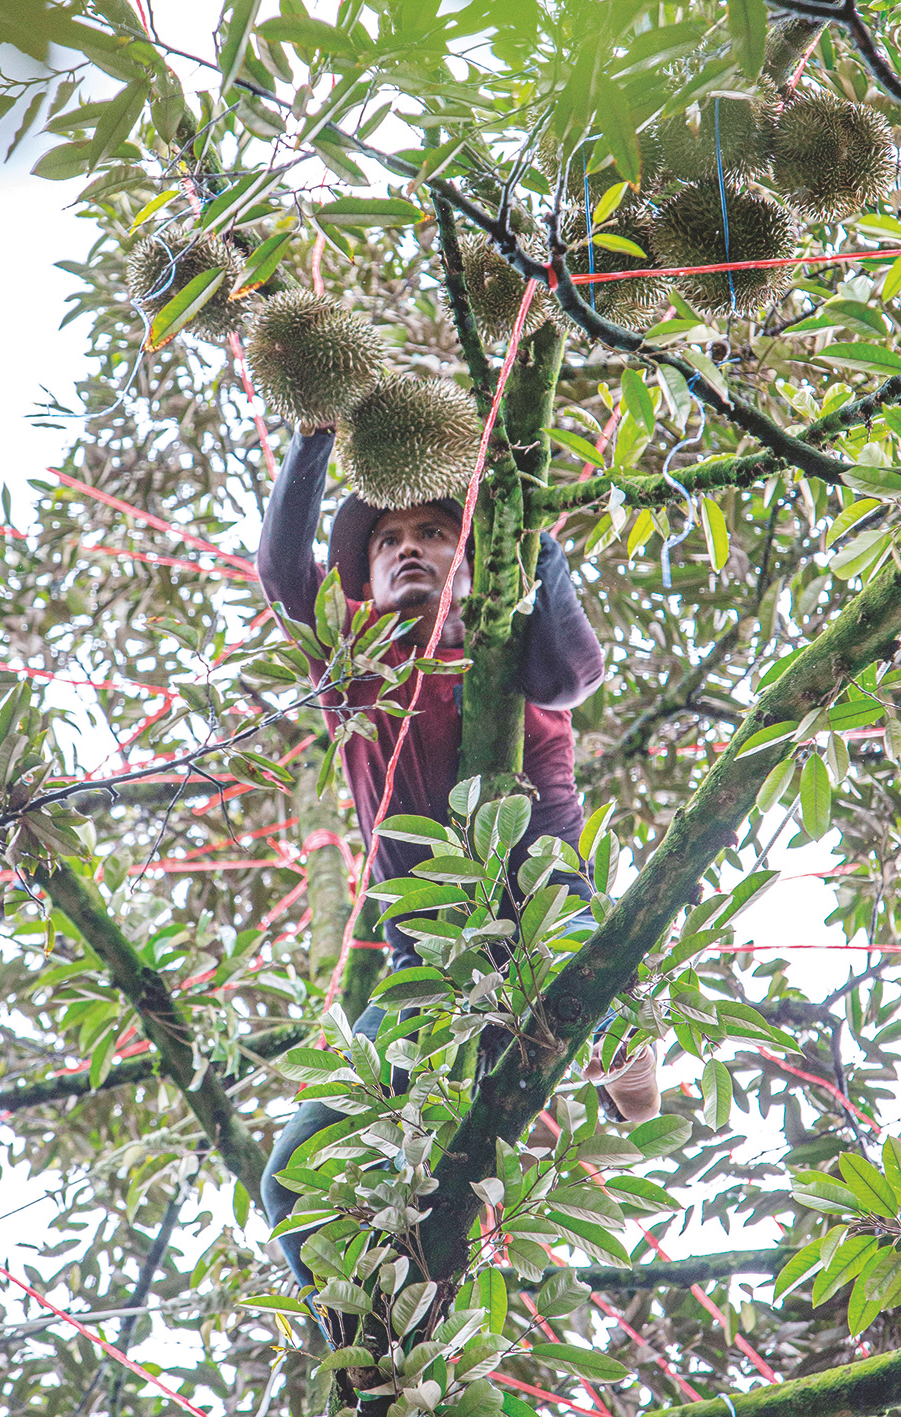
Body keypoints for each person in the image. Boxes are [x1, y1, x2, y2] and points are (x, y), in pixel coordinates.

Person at [256, 425, 659, 1291]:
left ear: (474, 564)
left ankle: (608, 1040)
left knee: (591, 995)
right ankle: (369, 1333)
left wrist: (534, 539)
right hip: (426, 960)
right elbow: (285, 580)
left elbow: (572, 674)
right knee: (287, 1177)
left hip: (541, 897)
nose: (408, 548)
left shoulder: (507, 647)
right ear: (358, 583)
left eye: (434, 534)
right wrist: (313, 433)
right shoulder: (352, 668)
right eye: (389, 541)